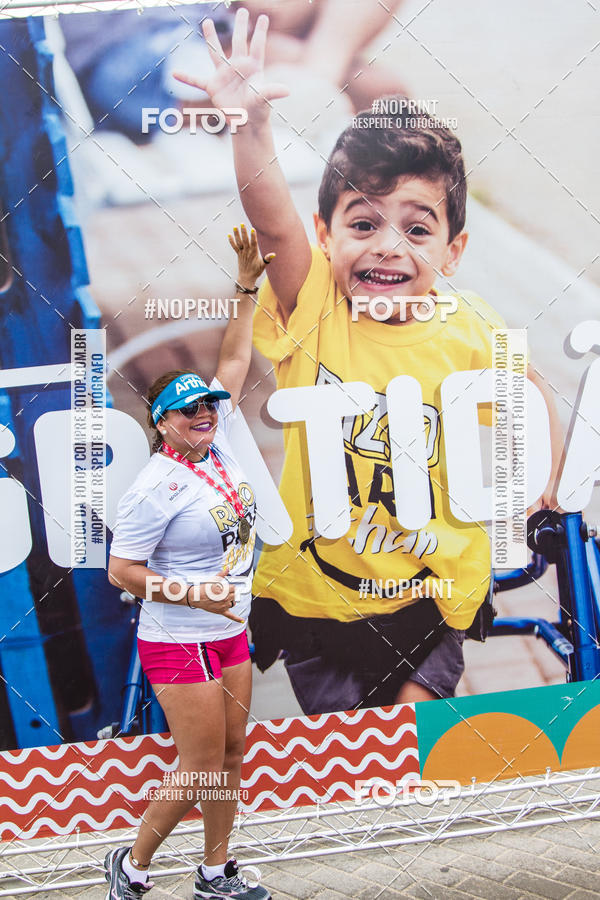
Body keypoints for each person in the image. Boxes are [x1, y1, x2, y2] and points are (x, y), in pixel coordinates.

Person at [176, 10, 563, 715]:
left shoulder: (467, 326)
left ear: (452, 252)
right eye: (363, 223)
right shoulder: (313, 306)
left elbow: (529, 398)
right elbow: (271, 224)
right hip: (316, 597)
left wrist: (546, 488)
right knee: (352, 745)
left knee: (416, 729)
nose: (388, 245)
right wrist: (249, 127)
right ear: (325, 236)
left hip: (430, 588)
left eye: (417, 228)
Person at [106, 224, 274, 899]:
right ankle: (133, 867)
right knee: (202, 766)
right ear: (163, 425)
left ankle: (214, 872)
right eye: (187, 410)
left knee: (233, 756)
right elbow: (122, 572)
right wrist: (192, 592)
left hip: (229, 632)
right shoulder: (155, 486)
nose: (204, 413)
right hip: (178, 640)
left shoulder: (223, 440)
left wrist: (244, 285)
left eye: (207, 404)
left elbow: (234, 357)